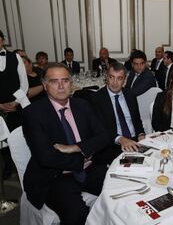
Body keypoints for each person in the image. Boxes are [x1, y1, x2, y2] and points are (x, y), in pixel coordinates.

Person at [22, 63, 110, 224]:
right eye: (54, 81)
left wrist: (77, 148)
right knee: (77, 213)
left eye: (65, 80)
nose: (61, 86)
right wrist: (79, 161)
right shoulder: (33, 113)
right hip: (54, 177)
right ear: (44, 85)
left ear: (71, 83)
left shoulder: (82, 105)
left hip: (89, 168)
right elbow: (45, 156)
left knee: (121, 191)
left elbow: (104, 136)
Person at [91, 62, 145, 164]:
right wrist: (120, 139)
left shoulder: (130, 95)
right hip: (113, 146)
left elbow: (137, 120)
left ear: (124, 80)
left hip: (134, 141)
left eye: (119, 78)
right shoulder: (97, 99)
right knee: (132, 168)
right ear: (106, 77)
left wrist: (141, 134)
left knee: (151, 162)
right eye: (112, 77)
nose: (115, 82)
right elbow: (99, 130)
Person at [0, 30, 29, 179]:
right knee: (2, 139)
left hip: (15, 106)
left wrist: (16, 102)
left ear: (2, 40)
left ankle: (24, 166)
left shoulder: (15, 57)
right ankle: (8, 166)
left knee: (19, 135)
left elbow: (24, 83)